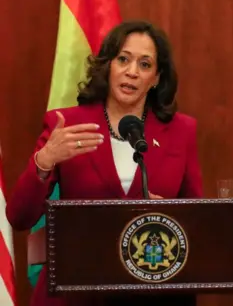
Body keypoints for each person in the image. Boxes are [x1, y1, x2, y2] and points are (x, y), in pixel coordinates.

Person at [6, 20, 203, 306]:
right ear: (108, 65)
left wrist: (171, 214)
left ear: (157, 77)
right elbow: (19, 217)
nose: (132, 72)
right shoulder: (67, 125)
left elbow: (198, 220)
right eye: (123, 59)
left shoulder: (180, 131)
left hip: (154, 289)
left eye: (145, 64)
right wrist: (44, 161)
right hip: (78, 289)